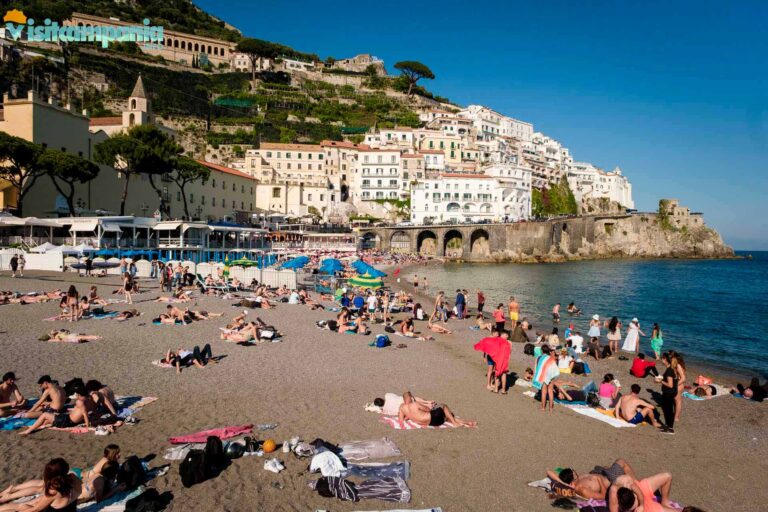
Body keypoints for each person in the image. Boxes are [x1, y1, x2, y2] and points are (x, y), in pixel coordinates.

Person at [0, 458, 82, 511]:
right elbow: (80, 491)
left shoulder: (53, 492)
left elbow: (36, 509)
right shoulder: (74, 478)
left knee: (22, 507)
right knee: (35, 501)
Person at [20, 384, 96, 436]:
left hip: (66, 421)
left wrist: (87, 426)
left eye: (78, 395)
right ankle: (35, 426)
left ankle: (28, 431)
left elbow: (85, 414)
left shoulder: (80, 402)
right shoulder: (88, 400)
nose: (77, 396)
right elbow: (86, 412)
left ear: (80, 395)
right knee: (47, 420)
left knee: (44, 415)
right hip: (67, 419)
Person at [547, 459, 636, 500]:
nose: (575, 470)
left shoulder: (577, 479)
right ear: (573, 474)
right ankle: (637, 484)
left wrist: (563, 483)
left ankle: (636, 484)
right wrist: (599, 480)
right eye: (573, 470)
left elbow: (549, 472)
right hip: (611, 480)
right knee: (621, 462)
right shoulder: (580, 488)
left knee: (600, 467)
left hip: (602, 473)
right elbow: (603, 496)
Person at [398, 391, 476, 428]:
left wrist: (409, 416)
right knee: (443, 406)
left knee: (446, 416)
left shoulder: (402, 408)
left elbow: (401, 420)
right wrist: (430, 406)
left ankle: (467, 422)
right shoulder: (414, 404)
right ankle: (454, 423)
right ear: (411, 397)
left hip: (431, 423)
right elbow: (428, 410)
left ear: (404, 399)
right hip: (434, 418)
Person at [608, 473, 676, 512]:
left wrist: (641, 505)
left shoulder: (626, 482)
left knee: (668, 476)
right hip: (644, 508)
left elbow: (639, 492)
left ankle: (665, 502)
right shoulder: (613, 494)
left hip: (642, 488)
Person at [659, 352, 678, 434]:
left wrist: (661, 381)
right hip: (672, 392)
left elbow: (670, 385)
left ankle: (669, 428)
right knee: (669, 410)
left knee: (668, 410)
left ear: (666, 360)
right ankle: (668, 426)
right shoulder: (672, 368)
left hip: (669, 392)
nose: (661, 360)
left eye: (662, 358)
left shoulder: (670, 370)